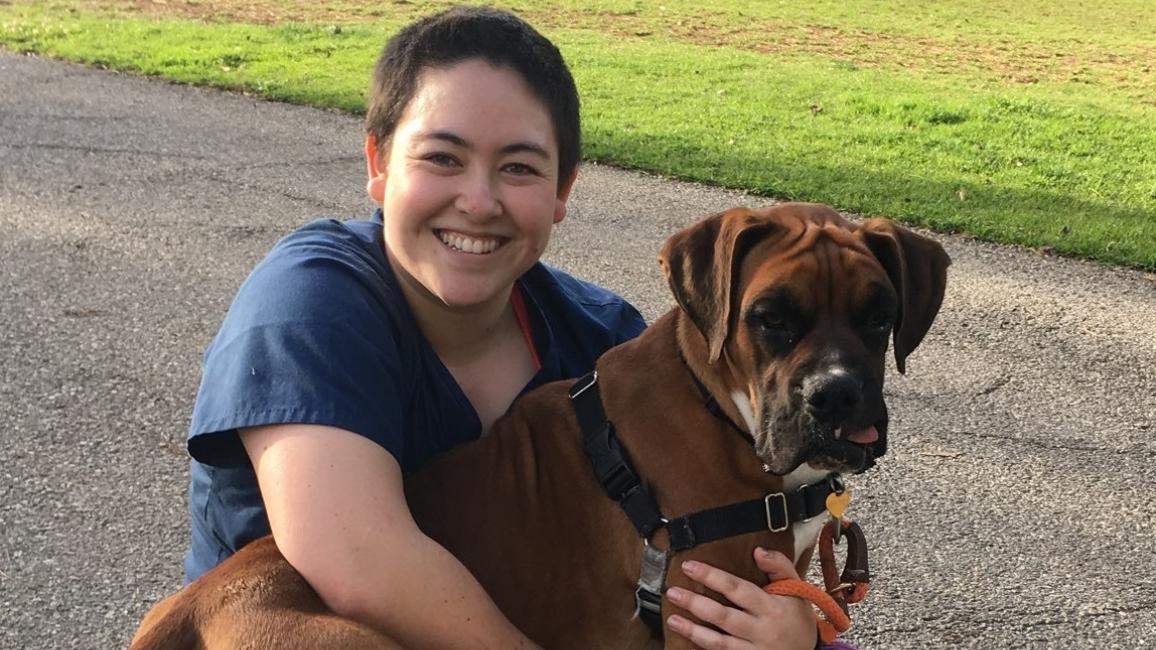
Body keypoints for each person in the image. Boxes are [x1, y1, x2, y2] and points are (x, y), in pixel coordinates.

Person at [182, 6, 821, 649]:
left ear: (562, 189)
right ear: (378, 162)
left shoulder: (606, 347)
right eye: (442, 157)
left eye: (519, 167)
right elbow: (359, 560)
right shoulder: (311, 299)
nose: (479, 201)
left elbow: (700, 552)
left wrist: (795, 631)